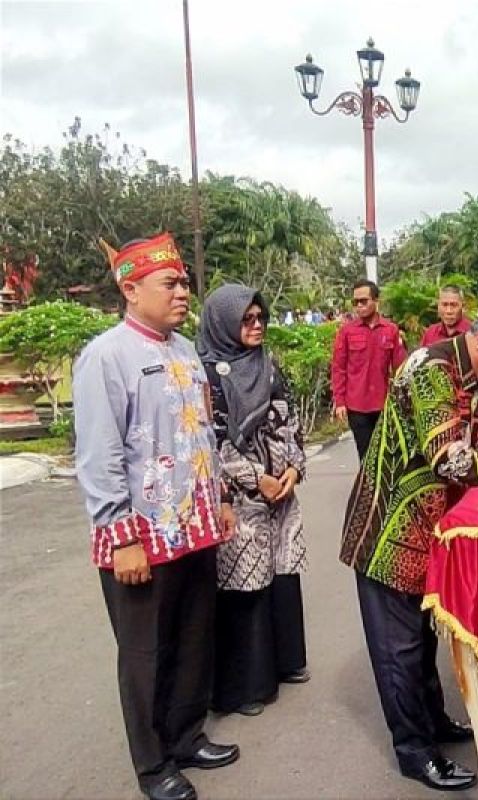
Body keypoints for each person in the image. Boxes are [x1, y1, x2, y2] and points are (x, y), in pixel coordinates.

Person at [339, 292, 478, 792]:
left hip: (426, 530)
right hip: (389, 533)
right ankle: (415, 752)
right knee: (400, 649)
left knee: (423, 639)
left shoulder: (473, 380)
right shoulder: (432, 370)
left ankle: (433, 722)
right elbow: (451, 461)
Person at [76, 233, 239, 800]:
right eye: (170, 284)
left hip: (193, 529)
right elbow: (100, 454)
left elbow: (204, 436)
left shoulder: (186, 351)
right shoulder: (106, 355)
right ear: (130, 288)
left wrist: (218, 500)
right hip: (141, 535)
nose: (182, 293)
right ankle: (152, 764)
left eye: (184, 283)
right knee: (146, 653)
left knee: (195, 638)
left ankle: (186, 733)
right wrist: (121, 536)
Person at [197, 284, 309, 719]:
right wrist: (255, 479)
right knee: (244, 585)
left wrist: (294, 469)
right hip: (240, 500)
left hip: (282, 491)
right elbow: (212, 441)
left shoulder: (268, 365)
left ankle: (285, 664)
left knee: (281, 575)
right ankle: (245, 685)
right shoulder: (207, 374)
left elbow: (292, 419)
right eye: (247, 319)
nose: (257, 325)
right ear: (224, 322)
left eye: (260, 317)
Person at [331, 279, 408, 460]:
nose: (359, 306)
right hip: (357, 406)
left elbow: (401, 368)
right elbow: (338, 368)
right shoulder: (347, 332)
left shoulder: (391, 330)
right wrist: (340, 401)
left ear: (376, 301)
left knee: (388, 456)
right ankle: (367, 489)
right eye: (355, 302)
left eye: (364, 301)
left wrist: (404, 402)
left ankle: (384, 489)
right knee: (366, 457)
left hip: (384, 405)